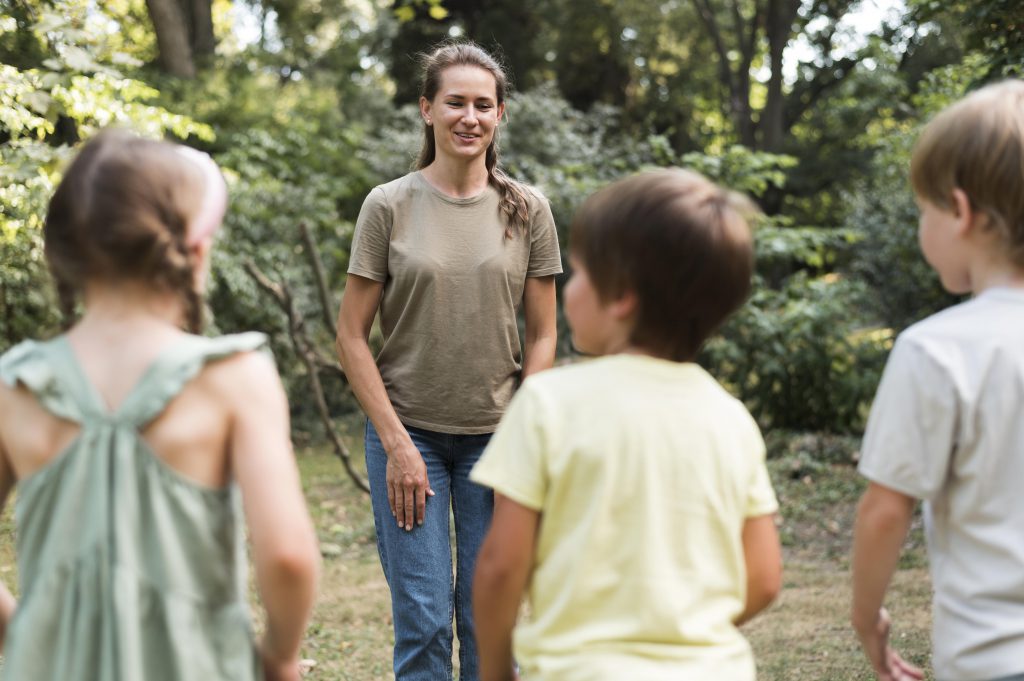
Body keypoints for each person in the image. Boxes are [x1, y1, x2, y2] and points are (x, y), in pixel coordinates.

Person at [0, 130, 321, 681]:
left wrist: (24, 629)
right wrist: (282, 659)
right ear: (195, 250)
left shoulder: (14, 384)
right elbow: (288, 557)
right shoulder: (235, 377)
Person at [471, 168, 783, 681]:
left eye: (581, 273)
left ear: (621, 298)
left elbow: (501, 567)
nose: (569, 290)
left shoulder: (549, 403)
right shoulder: (731, 418)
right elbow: (765, 578)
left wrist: (495, 671)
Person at [335, 42, 562, 681]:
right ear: (426, 109)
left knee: (489, 623)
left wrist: (521, 429)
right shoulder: (388, 205)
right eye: (455, 102)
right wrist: (397, 444)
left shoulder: (528, 209)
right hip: (411, 440)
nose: (470, 116)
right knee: (425, 622)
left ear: (500, 116)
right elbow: (351, 336)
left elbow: (544, 334)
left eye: (483, 105)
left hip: (499, 440)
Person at [851, 79, 1024, 681]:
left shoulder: (936, 348)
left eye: (923, 209)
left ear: (962, 213)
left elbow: (884, 511)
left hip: (990, 658)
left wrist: (866, 618)